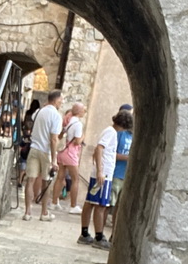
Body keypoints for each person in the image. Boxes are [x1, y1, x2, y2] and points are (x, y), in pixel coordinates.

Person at [77, 110, 126, 249]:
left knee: (90, 202)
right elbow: (99, 149)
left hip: (102, 173)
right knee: (101, 205)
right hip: (104, 174)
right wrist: (100, 171)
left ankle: (85, 233)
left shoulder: (109, 131)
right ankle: (99, 236)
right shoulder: (111, 133)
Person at [23, 89, 62, 221]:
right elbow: (53, 139)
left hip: (34, 148)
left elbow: (33, 119)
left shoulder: (39, 111)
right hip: (46, 151)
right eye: (61, 100)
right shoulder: (56, 116)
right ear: (56, 100)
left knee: (30, 180)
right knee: (46, 182)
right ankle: (44, 212)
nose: (61, 103)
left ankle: (28, 212)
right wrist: (54, 160)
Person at [50, 102, 85, 213]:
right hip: (71, 153)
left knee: (60, 177)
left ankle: (54, 202)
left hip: (63, 152)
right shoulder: (78, 124)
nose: (84, 112)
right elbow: (78, 141)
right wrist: (83, 135)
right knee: (75, 179)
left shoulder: (67, 121)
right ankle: (73, 205)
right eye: (83, 110)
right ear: (79, 112)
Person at [107, 108, 133, 235]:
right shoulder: (119, 134)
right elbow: (111, 153)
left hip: (127, 176)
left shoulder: (134, 137)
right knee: (108, 204)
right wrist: (128, 158)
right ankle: (100, 234)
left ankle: (114, 234)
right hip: (117, 173)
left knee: (120, 207)